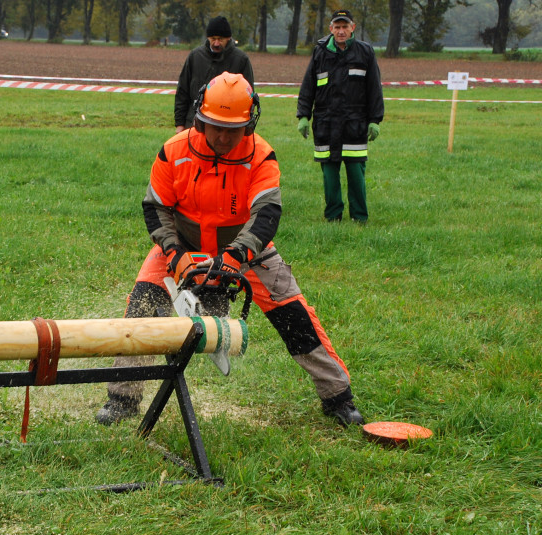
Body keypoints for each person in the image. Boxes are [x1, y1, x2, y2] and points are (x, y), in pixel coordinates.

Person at [97, 73, 365, 428]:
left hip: (245, 247)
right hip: (183, 242)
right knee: (142, 306)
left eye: (233, 130)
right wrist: (174, 254)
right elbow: (156, 207)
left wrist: (235, 256)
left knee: (295, 316)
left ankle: (337, 397)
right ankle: (122, 398)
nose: (223, 137)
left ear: (249, 124)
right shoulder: (173, 151)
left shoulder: (262, 156)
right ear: (200, 119)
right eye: (215, 127)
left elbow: (266, 214)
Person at [296, 9, 384, 223]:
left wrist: (375, 120)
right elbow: (308, 86)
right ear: (331, 29)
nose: (341, 31)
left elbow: (374, 89)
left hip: (355, 125)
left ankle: (359, 217)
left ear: (353, 28)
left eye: (345, 27)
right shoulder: (320, 52)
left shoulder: (365, 53)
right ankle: (333, 216)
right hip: (326, 125)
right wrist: (303, 116)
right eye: (337, 27)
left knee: (356, 174)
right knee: (329, 176)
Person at [174, 16, 255, 133]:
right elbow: (182, 91)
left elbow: (249, 96)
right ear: (208, 38)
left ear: (229, 38)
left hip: (228, 127)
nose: (216, 43)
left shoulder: (241, 60)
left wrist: (246, 128)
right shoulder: (195, 57)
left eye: (220, 39)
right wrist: (180, 124)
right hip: (194, 124)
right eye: (213, 38)